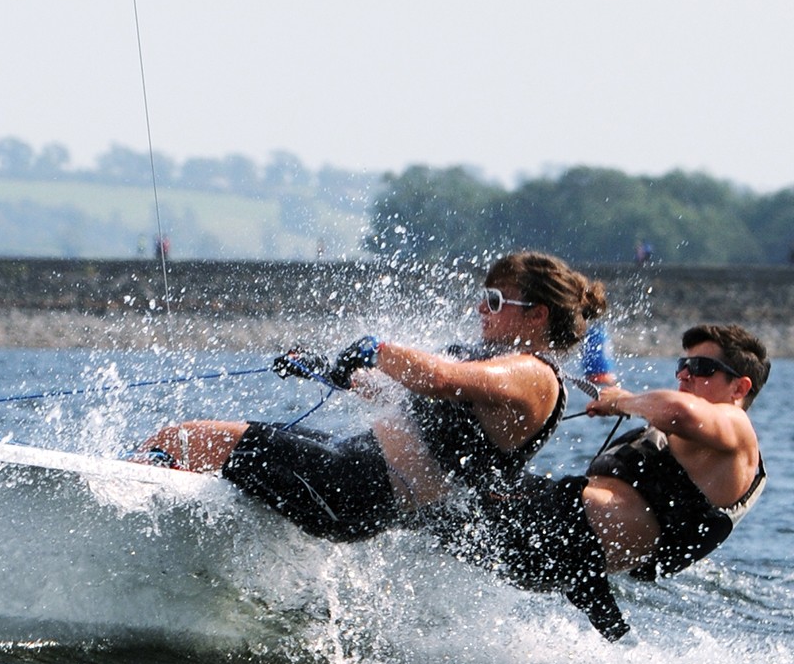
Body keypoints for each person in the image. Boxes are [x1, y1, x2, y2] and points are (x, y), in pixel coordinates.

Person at [138, 251, 608, 543]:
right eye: (484, 297)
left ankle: (129, 519)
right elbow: (400, 394)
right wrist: (330, 373)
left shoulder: (532, 374)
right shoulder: (501, 369)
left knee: (183, 439)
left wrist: (379, 349)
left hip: (351, 486)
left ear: (537, 316)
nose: (480, 308)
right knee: (204, 450)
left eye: (495, 301)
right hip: (350, 475)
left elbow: (440, 377)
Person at [438, 324, 768, 640]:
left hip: (558, 537)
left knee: (438, 476)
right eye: (683, 365)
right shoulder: (693, 439)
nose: (684, 374)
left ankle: (423, 370)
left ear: (739, 388)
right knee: (444, 471)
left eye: (701, 368)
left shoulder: (736, 427)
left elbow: (678, 411)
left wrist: (621, 401)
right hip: (557, 540)